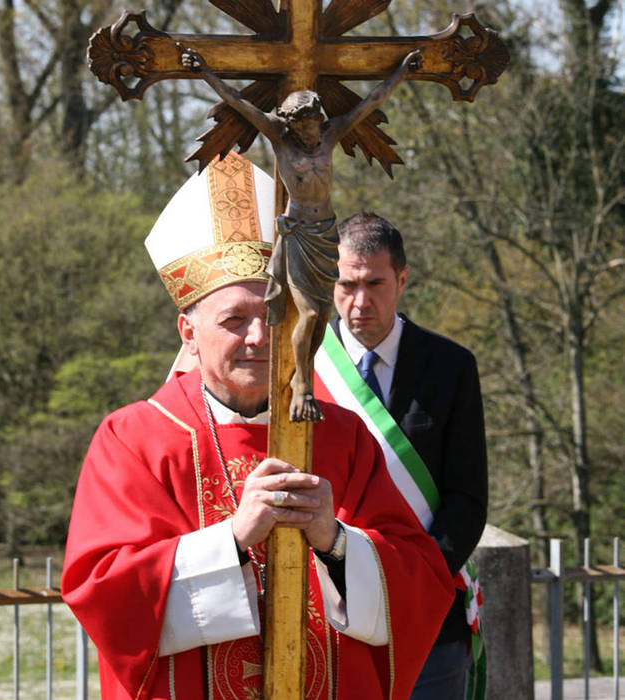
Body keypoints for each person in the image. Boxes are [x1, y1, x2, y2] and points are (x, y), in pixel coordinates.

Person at [61, 153, 454, 699]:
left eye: (272, 314)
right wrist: (233, 538)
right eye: (233, 320)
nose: (257, 336)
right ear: (189, 332)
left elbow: (421, 581)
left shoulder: (341, 437)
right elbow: (104, 593)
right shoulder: (135, 439)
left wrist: (335, 540)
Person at [179, 43, 421, 422]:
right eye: (303, 126)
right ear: (291, 123)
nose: (310, 133)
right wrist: (205, 72)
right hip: (299, 235)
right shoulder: (279, 137)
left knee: (322, 316)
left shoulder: (330, 134)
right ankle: (301, 386)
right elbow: (239, 104)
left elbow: (370, 103)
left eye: (313, 124)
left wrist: (401, 74)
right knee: (307, 314)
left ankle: (302, 377)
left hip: (326, 232)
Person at [321, 211, 488, 699]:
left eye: (375, 283)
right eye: (347, 284)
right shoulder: (298, 366)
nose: (360, 301)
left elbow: (467, 498)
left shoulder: (452, 366)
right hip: (329, 610)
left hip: (427, 607)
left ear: (403, 279)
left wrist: (412, 584)